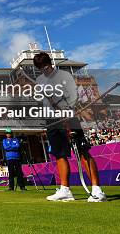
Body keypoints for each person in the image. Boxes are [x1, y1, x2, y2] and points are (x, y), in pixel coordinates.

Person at [34, 52, 106, 202]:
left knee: (82, 151)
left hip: (68, 117)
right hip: (52, 120)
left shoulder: (64, 76)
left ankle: (97, 190)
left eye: (45, 67)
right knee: (59, 154)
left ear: (51, 64)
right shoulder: (39, 80)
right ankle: (65, 190)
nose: (44, 71)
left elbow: (73, 96)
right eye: (40, 69)